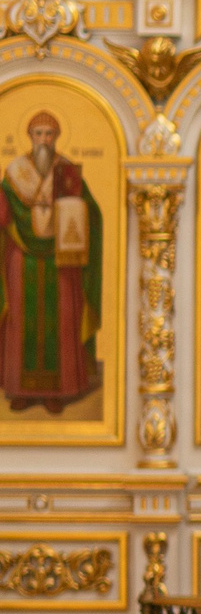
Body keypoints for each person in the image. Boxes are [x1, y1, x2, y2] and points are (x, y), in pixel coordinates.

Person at [1, 110, 103, 414]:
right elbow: (4, 212)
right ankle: (21, 390)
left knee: (61, 320)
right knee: (21, 319)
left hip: (61, 259)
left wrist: (73, 210)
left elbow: (93, 214)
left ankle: (57, 391)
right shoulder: (14, 174)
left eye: (49, 134)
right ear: (30, 137)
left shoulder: (67, 172)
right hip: (23, 257)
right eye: (38, 134)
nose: (44, 140)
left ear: (56, 137)